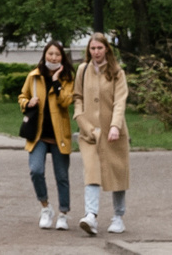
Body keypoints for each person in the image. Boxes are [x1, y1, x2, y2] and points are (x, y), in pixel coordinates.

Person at [74, 33, 130, 236]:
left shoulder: (117, 72)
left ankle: (118, 216)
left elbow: (120, 101)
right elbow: (77, 97)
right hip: (89, 133)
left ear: (106, 49)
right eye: (92, 48)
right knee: (92, 172)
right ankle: (91, 216)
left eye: (99, 48)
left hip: (113, 133)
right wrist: (81, 118)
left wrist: (115, 126)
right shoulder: (83, 70)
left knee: (117, 174)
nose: (96, 52)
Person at [18, 40, 77, 230]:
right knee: (36, 171)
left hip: (59, 135)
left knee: (62, 176)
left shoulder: (68, 78)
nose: (53, 57)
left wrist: (56, 82)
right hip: (38, 135)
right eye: (50, 54)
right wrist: (28, 103)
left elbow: (66, 101)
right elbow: (22, 96)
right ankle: (45, 207)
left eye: (57, 54)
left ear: (62, 57)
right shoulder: (34, 76)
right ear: (44, 55)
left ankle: (63, 214)